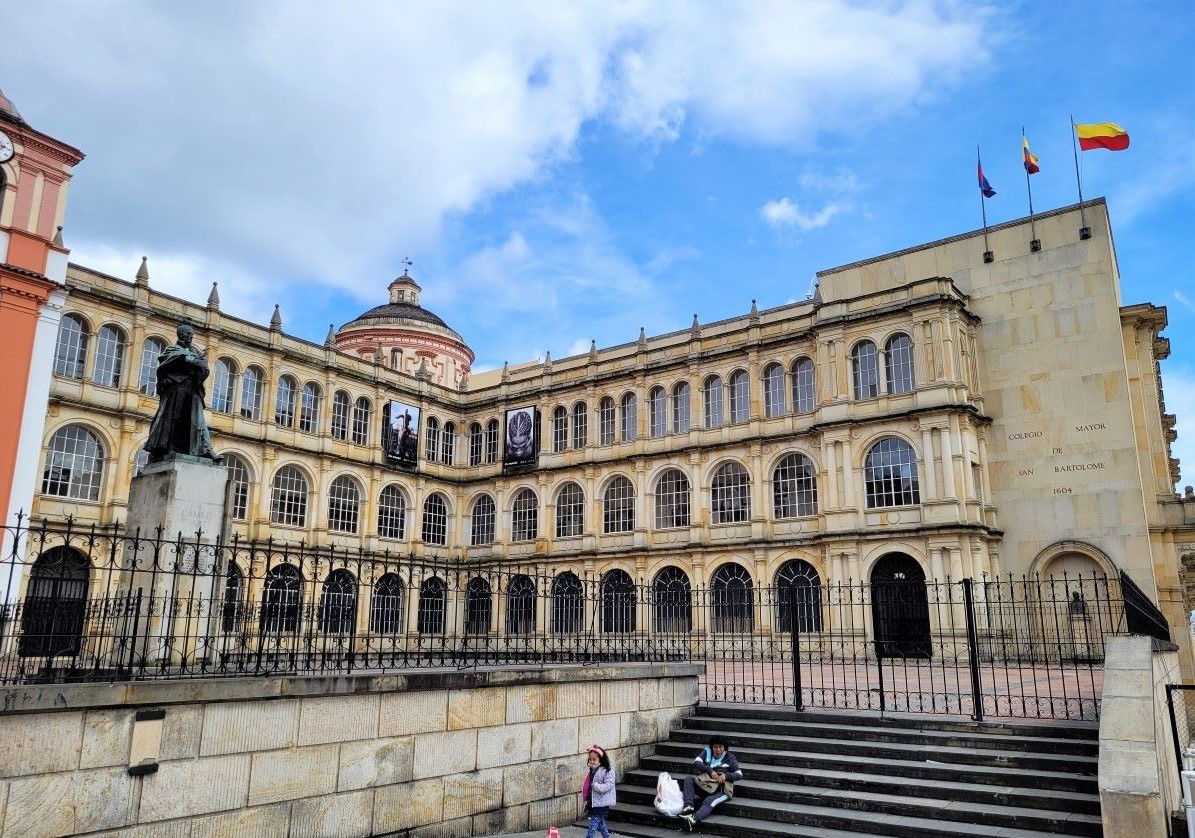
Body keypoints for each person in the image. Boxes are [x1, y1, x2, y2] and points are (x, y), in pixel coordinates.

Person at [144, 322, 219, 462]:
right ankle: (167, 448)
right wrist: (191, 360)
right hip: (176, 389)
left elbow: (204, 369)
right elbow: (168, 362)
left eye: (192, 334)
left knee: (197, 421)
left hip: (192, 390)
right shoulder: (172, 349)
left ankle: (203, 449)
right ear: (181, 334)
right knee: (173, 419)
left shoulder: (194, 352)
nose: (190, 337)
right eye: (188, 334)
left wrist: (199, 365)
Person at [678, 735, 743, 831]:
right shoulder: (707, 751)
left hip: (722, 791)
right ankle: (688, 806)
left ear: (724, 748)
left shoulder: (730, 757)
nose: (718, 750)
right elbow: (696, 762)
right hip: (706, 786)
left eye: (720, 747)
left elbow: (739, 774)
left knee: (709, 800)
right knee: (689, 779)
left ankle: (693, 819)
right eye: (715, 747)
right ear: (712, 747)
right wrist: (710, 770)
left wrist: (726, 776)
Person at [580, 744, 616, 838]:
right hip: (594, 801)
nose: (592, 761)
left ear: (601, 759)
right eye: (590, 759)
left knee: (594, 823)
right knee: (601, 823)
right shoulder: (592, 770)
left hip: (602, 802)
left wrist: (596, 786)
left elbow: (609, 785)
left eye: (594, 759)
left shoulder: (607, 770)